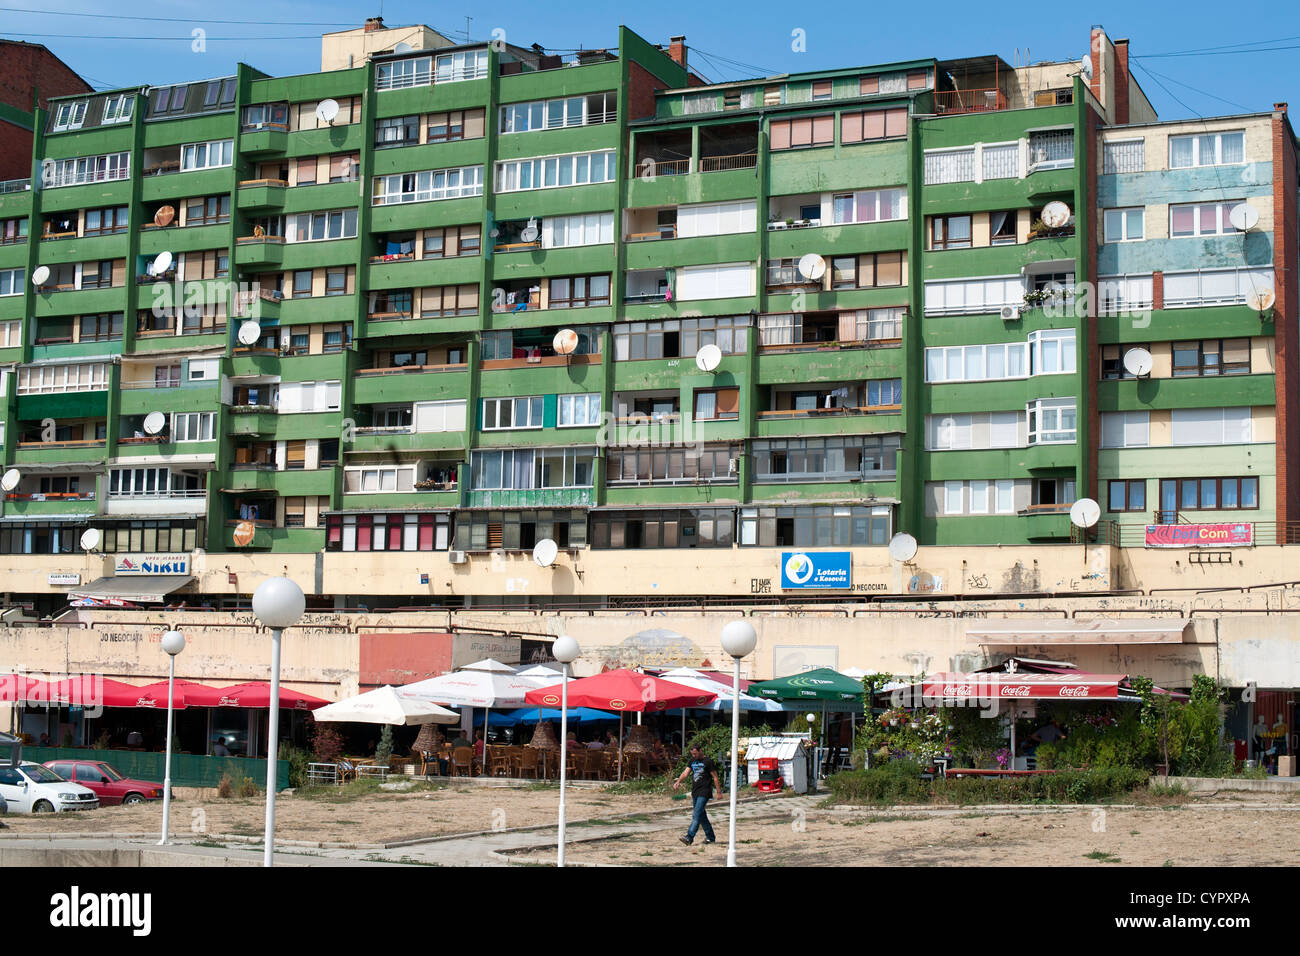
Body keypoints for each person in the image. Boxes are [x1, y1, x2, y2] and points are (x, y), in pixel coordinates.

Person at [672, 744, 722, 846]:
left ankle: (689, 837)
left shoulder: (708, 761)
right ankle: (710, 837)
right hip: (695, 791)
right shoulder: (692, 761)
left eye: (695, 753)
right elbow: (685, 773)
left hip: (705, 791)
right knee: (701, 816)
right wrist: (678, 781)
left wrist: (719, 792)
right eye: (692, 754)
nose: (694, 755)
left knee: (696, 814)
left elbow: (715, 777)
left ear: (700, 750)